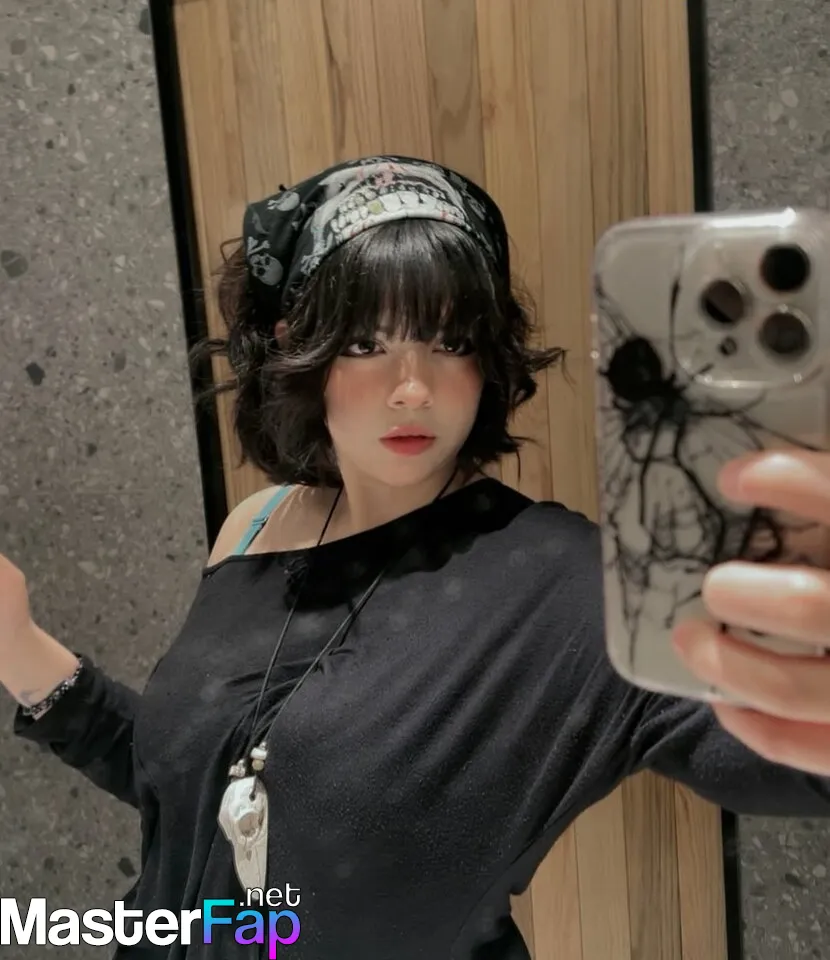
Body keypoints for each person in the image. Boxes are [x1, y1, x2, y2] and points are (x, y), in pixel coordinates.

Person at [1, 155, 829, 960]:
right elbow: (198, 792)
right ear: (299, 345)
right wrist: (18, 644)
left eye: (449, 341)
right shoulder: (256, 528)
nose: (413, 388)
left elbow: (785, 755)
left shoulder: (570, 584)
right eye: (366, 343)